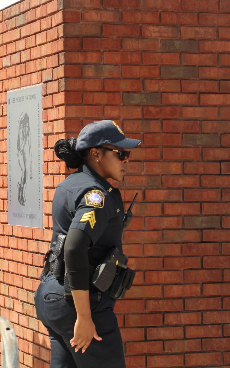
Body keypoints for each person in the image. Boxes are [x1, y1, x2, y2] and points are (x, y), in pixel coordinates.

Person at [34, 120, 140, 368]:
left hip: (52, 295)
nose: (126, 160)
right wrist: (84, 316)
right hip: (82, 303)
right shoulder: (98, 195)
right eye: (120, 153)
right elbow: (73, 248)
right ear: (96, 154)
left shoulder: (69, 185)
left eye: (128, 155)